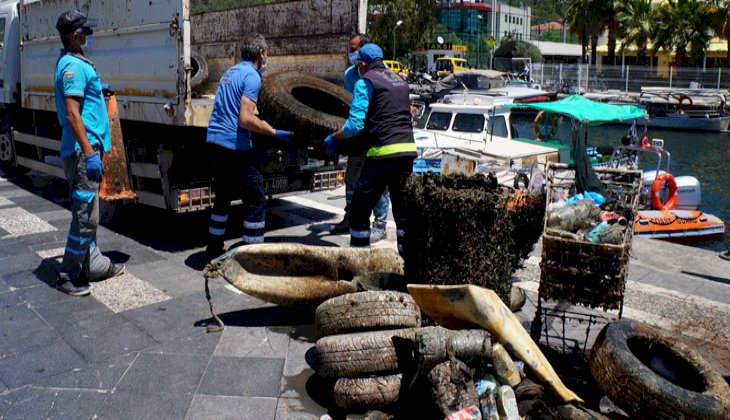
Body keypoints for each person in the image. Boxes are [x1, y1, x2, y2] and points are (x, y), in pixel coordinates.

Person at [54, 10, 126, 296]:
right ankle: (68, 274)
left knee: (89, 214)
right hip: (83, 153)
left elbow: (81, 103)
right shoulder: (72, 66)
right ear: (75, 36)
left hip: (87, 151)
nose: (89, 37)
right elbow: (73, 114)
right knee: (85, 217)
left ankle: (93, 265)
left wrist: (98, 90)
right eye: (85, 33)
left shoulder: (76, 62)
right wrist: (89, 152)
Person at [205, 33, 294, 260]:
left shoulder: (230, 72)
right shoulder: (252, 76)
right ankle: (252, 256)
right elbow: (245, 118)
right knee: (255, 198)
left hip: (215, 142)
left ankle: (214, 249)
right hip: (234, 145)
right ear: (261, 53)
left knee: (223, 198)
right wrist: (274, 132)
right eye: (267, 52)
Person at [322, 44, 417, 254]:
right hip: (407, 152)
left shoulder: (366, 82)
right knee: (402, 209)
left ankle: (360, 256)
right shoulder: (400, 82)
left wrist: (335, 137)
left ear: (363, 65)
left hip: (382, 153)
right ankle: (408, 262)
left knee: (359, 208)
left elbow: (355, 125)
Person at [330, 33, 390, 243]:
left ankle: (380, 224)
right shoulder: (349, 74)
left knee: (378, 183)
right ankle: (350, 216)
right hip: (356, 134)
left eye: (355, 49)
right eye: (351, 49)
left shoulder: (381, 74)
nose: (352, 53)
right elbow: (347, 103)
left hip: (374, 133)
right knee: (351, 177)